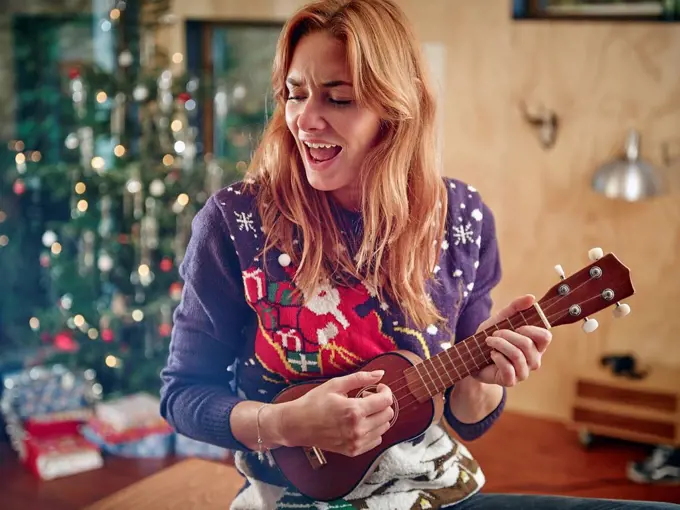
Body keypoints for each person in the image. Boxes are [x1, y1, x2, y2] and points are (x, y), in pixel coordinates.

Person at [159, 0, 678, 508]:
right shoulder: (235, 222)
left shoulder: (462, 218)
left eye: (337, 99)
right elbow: (182, 393)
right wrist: (281, 423)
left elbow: (470, 416)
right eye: (296, 95)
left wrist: (485, 377)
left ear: (394, 108)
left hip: (433, 490)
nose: (305, 120)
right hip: (288, 497)